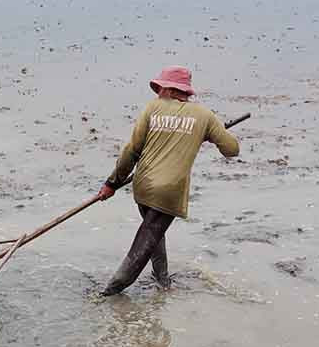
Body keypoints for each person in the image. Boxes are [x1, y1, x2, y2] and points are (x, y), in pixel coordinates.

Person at [96, 66, 240, 295]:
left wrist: (112, 183)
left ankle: (162, 281)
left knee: (153, 235)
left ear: (170, 90)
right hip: (168, 192)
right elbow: (232, 149)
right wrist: (212, 133)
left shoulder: (152, 108)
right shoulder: (204, 116)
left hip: (143, 186)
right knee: (143, 246)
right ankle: (108, 293)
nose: (158, 94)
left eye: (160, 89)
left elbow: (131, 150)